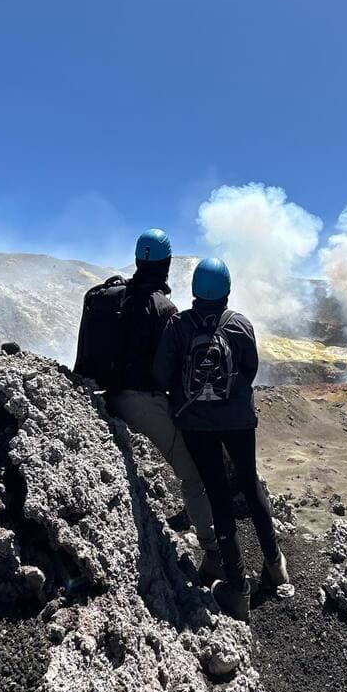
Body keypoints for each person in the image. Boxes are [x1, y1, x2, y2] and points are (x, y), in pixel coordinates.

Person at [74, 229, 222, 583]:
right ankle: (213, 552)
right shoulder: (164, 309)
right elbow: (165, 372)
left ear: (139, 261)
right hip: (140, 401)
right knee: (193, 473)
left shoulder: (105, 295)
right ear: (166, 265)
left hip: (101, 395)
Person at [153, 257, 289, 621]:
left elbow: (160, 373)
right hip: (239, 422)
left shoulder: (179, 325)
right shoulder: (241, 325)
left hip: (196, 425)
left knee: (218, 496)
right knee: (250, 483)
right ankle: (276, 567)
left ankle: (237, 589)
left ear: (195, 290)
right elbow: (249, 369)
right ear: (227, 290)